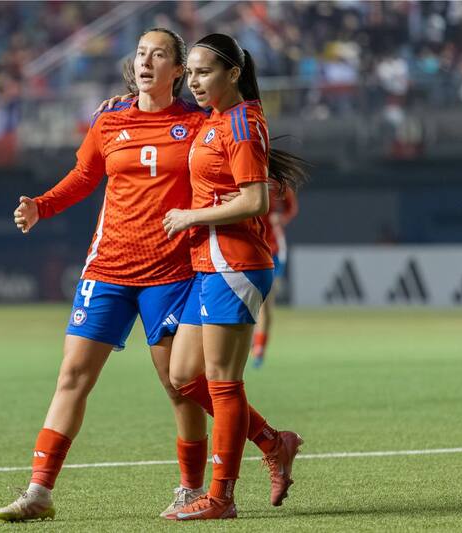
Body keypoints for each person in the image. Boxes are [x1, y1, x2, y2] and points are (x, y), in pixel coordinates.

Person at [0, 27, 210, 522]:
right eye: (140, 53)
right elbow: (85, 177)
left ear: (179, 70)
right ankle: (39, 492)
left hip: (170, 272)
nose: (146, 61)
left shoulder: (199, 125)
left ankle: (191, 488)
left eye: (159, 55)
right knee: (71, 376)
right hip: (108, 268)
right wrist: (41, 206)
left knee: (180, 386)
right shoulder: (111, 121)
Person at [161, 33, 308, 520]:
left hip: (235, 263)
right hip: (210, 264)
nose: (195, 81)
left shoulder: (242, 122)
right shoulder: (216, 119)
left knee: (224, 383)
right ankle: (273, 442)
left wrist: (191, 217)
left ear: (233, 74)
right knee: (183, 377)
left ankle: (221, 497)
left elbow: (256, 200)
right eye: (192, 72)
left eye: (205, 72)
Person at [251, 186, 299, 368]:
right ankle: (252, 341)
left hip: (273, 251)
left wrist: (282, 218)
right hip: (248, 248)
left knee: (265, 302)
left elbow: (291, 207)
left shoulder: (279, 184)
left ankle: (259, 349)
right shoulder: (243, 177)